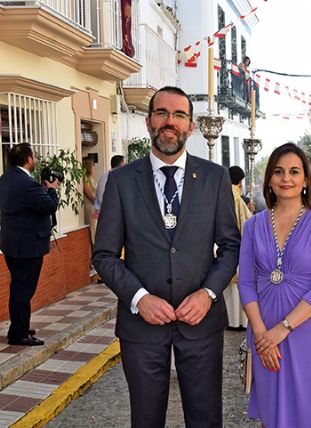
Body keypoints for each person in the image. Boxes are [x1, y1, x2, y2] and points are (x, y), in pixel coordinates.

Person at [92, 86, 240, 428]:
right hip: (141, 326)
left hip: (201, 322)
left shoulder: (215, 178)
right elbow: (104, 255)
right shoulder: (120, 181)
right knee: (145, 420)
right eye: (162, 114)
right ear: (148, 122)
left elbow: (231, 247)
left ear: (190, 126)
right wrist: (139, 298)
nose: (169, 122)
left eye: (179, 115)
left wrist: (208, 294)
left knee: (205, 419)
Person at [238, 143, 311, 428]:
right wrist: (263, 335)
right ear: (269, 180)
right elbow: (247, 283)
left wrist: (281, 330)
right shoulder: (253, 226)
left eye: (294, 171)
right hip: (265, 332)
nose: (285, 178)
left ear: (305, 180)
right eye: (278, 171)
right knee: (274, 414)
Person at [0, 143, 58, 346]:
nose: (35, 159)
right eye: (33, 156)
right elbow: (49, 206)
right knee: (23, 291)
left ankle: (20, 326)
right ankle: (19, 333)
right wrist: (51, 190)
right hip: (27, 246)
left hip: (11, 244)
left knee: (19, 287)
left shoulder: (5, 179)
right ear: (28, 159)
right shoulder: (28, 184)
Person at [226, 165, 252, 329]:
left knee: (228, 288)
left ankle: (231, 321)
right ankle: (241, 322)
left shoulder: (220, 195)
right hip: (238, 247)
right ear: (240, 182)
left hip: (220, 247)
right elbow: (247, 223)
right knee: (238, 286)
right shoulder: (237, 198)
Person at [83, 157, 97, 243]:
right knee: (94, 228)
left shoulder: (91, 178)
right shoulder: (85, 179)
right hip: (91, 208)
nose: (93, 166)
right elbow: (90, 195)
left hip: (95, 208)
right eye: (92, 165)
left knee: (97, 227)